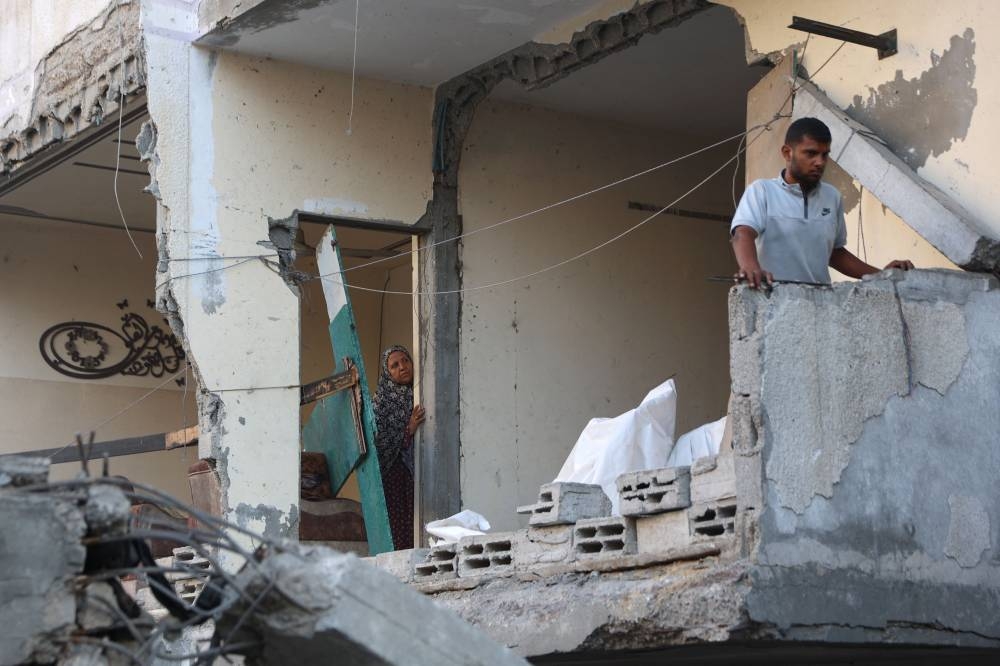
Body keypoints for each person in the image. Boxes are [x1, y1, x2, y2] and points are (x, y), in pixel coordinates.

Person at [731, 117, 914, 289]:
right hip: (773, 299)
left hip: (820, 302)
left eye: (824, 155)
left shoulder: (832, 196)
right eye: (811, 153)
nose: (819, 162)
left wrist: (882, 275)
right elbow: (742, 233)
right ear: (787, 153)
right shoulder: (762, 190)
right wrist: (750, 267)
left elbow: (834, 254)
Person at [373, 344, 425, 550]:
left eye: (405, 360)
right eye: (394, 365)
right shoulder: (381, 401)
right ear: (387, 373)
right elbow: (379, 442)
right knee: (399, 532)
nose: (402, 367)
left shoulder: (419, 393)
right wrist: (408, 429)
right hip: (393, 478)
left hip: (415, 476)